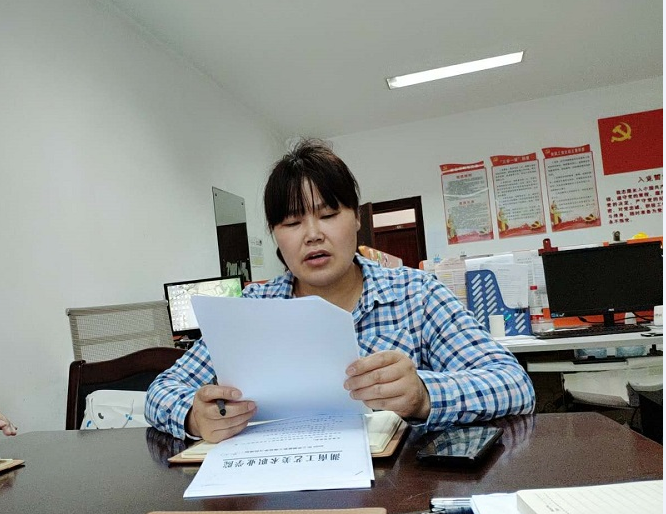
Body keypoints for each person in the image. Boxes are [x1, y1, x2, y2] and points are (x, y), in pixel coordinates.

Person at [146, 139, 535, 442]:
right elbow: (162, 390)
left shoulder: (416, 294)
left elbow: (514, 384)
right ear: (275, 235)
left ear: (357, 219)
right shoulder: (250, 309)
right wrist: (194, 417)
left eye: (329, 215)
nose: (313, 234)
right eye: (292, 223)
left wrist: (423, 394)